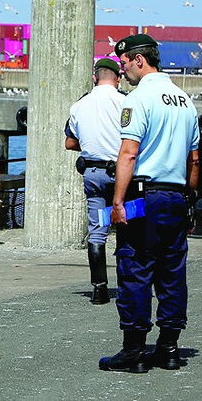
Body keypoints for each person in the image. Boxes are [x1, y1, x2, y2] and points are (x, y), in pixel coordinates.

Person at [99, 34, 200, 374]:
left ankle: (133, 351)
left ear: (139, 60)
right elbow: (194, 160)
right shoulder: (185, 101)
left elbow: (129, 152)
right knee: (172, 272)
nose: (123, 69)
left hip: (145, 195)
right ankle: (169, 348)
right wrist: (190, 203)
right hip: (176, 195)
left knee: (136, 269)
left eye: (125, 62)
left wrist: (117, 202)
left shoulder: (139, 98)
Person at [65, 58, 125, 305]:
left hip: (93, 176)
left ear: (94, 78)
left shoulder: (79, 106)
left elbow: (69, 142)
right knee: (127, 226)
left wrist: (91, 145)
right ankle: (128, 285)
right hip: (120, 174)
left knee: (97, 231)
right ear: (117, 78)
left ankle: (99, 289)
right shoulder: (126, 102)